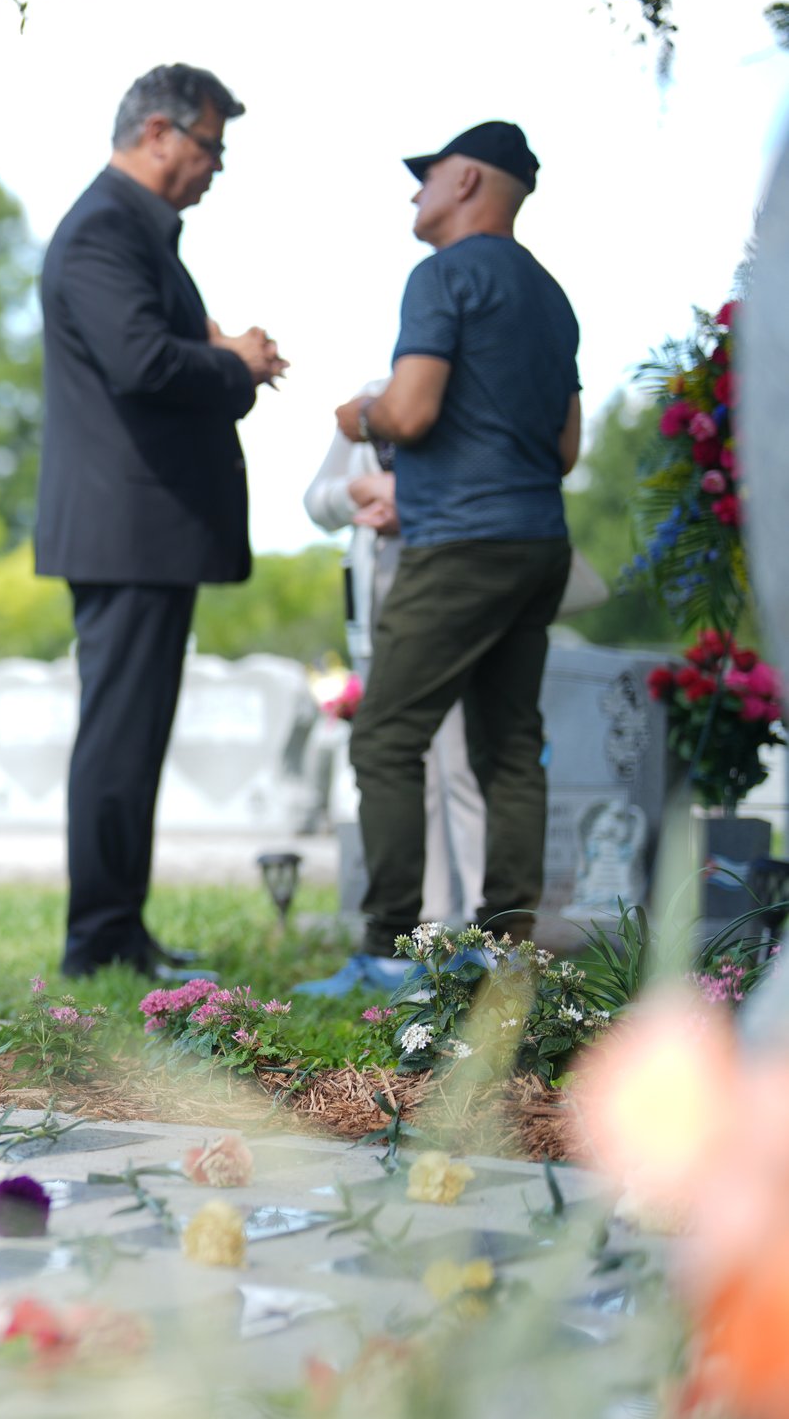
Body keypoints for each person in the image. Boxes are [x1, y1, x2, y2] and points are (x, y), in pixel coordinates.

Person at [34, 64, 286, 981]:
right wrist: (238, 364)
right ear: (156, 132)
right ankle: (98, 940)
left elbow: (149, 350)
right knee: (119, 735)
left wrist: (220, 355)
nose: (217, 165)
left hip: (139, 528)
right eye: (209, 144)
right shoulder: (106, 228)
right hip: (125, 526)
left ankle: (119, 930)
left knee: (134, 736)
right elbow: (142, 363)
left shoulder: (137, 233)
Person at [334, 120, 582, 962]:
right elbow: (565, 449)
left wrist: (357, 416)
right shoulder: (552, 298)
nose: (416, 191)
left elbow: (409, 410)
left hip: (461, 545)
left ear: (469, 180)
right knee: (510, 744)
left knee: (385, 736)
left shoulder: (442, 276)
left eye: (427, 175)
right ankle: (506, 945)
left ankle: (386, 951)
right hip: (538, 540)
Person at [292, 391, 488, 997]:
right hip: (381, 613)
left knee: (464, 764)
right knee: (406, 768)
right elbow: (317, 500)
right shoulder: (369, 410)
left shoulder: (465, 401)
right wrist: (362, 494)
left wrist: (416, 504)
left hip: (457, 599)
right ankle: (418, 935)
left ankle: (484, 933)